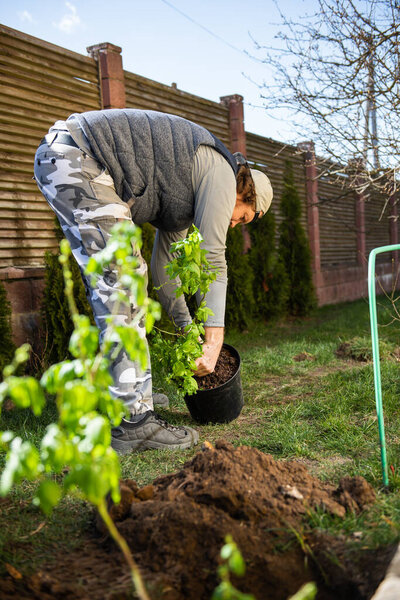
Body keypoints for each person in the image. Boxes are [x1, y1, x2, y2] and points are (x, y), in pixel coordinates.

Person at [34, 109, 273, 454]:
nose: (235, 224)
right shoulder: (222, 171)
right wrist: (214, 335)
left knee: (126, 284)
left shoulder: (183, 201)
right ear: (243, 192)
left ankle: (127, 395)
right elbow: (213, 258)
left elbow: (164, 279)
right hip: (79, 157)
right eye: (243, 217)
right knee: (123, 282)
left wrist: (186, 330)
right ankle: (134, 423)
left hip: (67, 155)